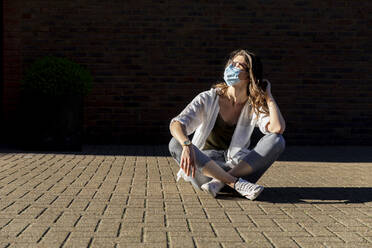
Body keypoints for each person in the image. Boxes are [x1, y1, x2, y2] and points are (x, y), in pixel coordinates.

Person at [168, 49, 286, 200]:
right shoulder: (208, 98)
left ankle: (223, 182)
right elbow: (177, 123)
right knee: (175, 143)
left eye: (239, 66)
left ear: (250, 75)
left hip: (238, 167)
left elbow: (277, 128)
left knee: (277, 140)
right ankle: (233, 183)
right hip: (206, 169)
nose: (232, 67)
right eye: (232, 63)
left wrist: (268, 96)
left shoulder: (253, 105)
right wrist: (186, 144)